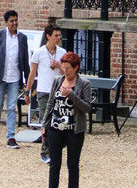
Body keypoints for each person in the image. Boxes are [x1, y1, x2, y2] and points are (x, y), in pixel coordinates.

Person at [42, 53, 92, 188]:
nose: (65, 71)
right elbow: (50, 103)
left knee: (73, 164)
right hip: (55, 128)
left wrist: (71, 94)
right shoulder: (58, 80)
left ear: (76, 68)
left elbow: (87, 107)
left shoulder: (84, 84)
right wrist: (44, 124)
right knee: (54, 164)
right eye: (63, 68)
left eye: (68, 68)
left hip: (74, 130)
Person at [0, 9, 29, 148]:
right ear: (6, 23)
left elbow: (25, 60)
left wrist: (27, 82)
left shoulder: (22, 38)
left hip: (15, 77)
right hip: (0, 76)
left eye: (16, 20)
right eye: (11, 21)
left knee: (11, 107)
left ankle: (11, 137)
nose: (14, 23)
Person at [25, 23, 66, 163]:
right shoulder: (39, 53)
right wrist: (27, 91)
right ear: (48, 36)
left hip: (59, 92)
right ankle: (45, 150)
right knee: (46, 123)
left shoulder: (62, 52)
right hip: (43, 92)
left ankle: (54, 149)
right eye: (56, 35)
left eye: (59, 35)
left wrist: (59, 66)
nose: (58, 38)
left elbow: (69, 72)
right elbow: (32, 73)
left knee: (59, 122)